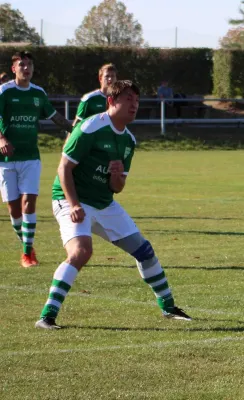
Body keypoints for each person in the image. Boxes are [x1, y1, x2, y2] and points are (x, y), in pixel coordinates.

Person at [35, 80, 191, 329]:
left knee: (144, 251)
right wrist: (74, 205)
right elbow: (64, 168)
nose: (134, 105)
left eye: (137, 101)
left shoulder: (128, 141)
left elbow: (117, 188)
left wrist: (116, 176)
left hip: (103, 203)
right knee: (81, 252)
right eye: (128, 99)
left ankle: (168, 307)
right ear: (111, 101)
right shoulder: (91, 127)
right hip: (70, 198)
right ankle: (47, 316)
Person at [0, 51, 72, 268]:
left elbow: (57, 119)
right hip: (6, 159)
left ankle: (26, 254)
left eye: (29, 64)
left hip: (31, 157)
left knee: (28, 202)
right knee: (13, 209)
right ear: (14, 69)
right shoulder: (4, 91)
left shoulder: (38, 93)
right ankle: (27, 245)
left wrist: (79, 130)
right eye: (22, 64)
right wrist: (1, 138)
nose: (26, 68)